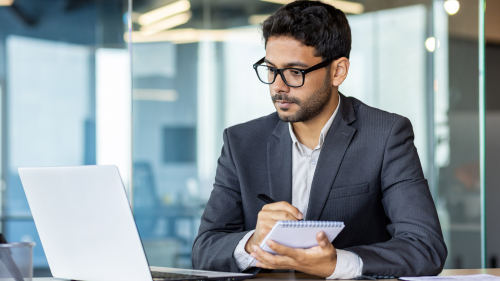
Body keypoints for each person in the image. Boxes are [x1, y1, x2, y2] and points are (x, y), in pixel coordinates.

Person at [192, 0, 447, 279]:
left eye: (295, 72)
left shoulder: (385, 135)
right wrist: (253, 242)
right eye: (270, 69)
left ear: (338, 71)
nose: (278, 86)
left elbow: (425, 247)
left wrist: (337, 263)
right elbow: (205, 248)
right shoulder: (241, 142)